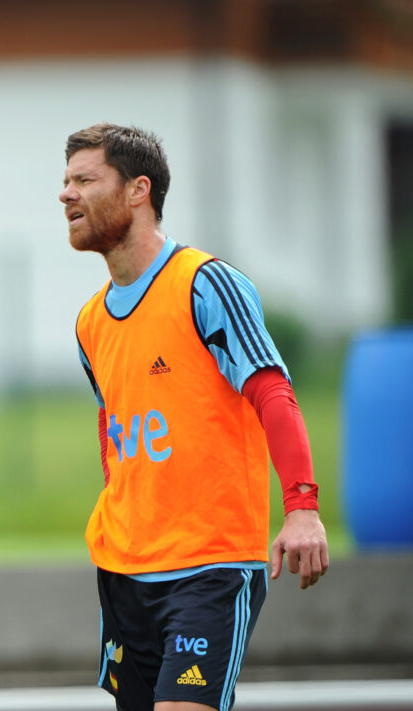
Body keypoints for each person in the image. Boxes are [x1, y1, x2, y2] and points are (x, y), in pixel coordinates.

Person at [59, 123, 329, 711]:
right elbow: (113, 432)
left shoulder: (205, 283)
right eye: (65, 181)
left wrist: (302, 507)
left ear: (138, 191)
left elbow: (273, 393)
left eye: (85, 179)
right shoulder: (89, 323)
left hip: (209, 566)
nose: (66, 194)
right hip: (124, 569)